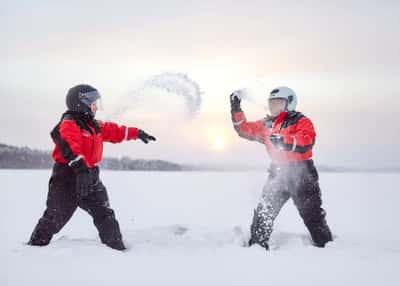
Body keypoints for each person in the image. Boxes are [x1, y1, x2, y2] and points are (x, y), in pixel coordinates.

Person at [28, 84, 156, 251]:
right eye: (93, 103)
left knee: (104, 214)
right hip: (67, 177)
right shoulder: (69, 124)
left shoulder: (93, 124)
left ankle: (117, 249)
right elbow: (70, 148)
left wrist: (136, 133)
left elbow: (114, 131)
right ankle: (33, 249)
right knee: (55, 217)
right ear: (80, 103)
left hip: (90, 175)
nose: (96, 107)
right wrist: (81, 170)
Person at [230, 87, 333, 250]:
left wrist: (285, 140)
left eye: (278, 103)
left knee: (312, 216)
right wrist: (236, 108)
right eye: (271, 103)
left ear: (290, 103)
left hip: (302, 173)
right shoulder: (266, 123)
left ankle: (327, 248)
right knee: (264, 212)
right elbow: (243, 129)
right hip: (277, 172)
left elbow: (307, 140)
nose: (273, 107)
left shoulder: (301, 120)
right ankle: (257, 247)